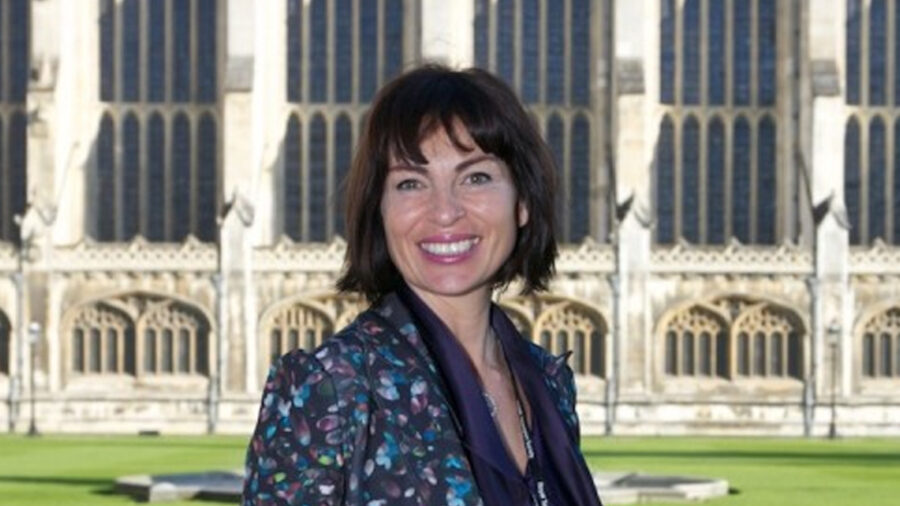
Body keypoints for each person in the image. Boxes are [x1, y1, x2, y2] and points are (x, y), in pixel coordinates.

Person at [242, 65, 603, 506]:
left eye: (476, 177)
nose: (444, 211)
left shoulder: (548, 383)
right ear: (379, 209)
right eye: (410, 183)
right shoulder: (330, 388)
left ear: (522, 201)